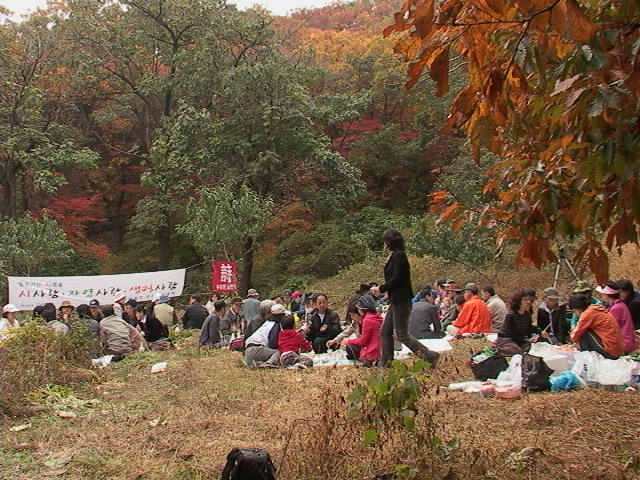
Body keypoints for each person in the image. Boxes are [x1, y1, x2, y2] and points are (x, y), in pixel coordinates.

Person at [370, 228, 439, 367]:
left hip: (401, 299)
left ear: (390, 242)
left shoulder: (399, 255)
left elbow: (398, 278)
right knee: (385, 331)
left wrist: (381, 288)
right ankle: (386, 362)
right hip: (395, 299)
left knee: (401, 334)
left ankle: (429, 355)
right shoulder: (395, 255)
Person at [569, 294, 625, 359]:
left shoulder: (588, 313)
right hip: (617, 349)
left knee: (584, 333)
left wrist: (572, 340)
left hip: (610, 351)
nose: (575, 313)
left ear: (579, 308)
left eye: (574, 311)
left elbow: (576, 334)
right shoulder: (596, 310)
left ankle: (587, 358)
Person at [595, 282, 636, 353]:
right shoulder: (617, 305)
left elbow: (609, 326)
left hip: (623, 343)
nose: (601, 296)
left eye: (602, 294)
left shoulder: (617, 308)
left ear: (607, 295)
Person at [495, 289, 537, 355]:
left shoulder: (527, 314)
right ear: (519, 300)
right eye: (525, 300)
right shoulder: (511, 315)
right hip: (506, 339)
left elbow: (529, 329)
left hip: (519, 340)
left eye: (530, 300)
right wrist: (526, 341)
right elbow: (512, 335)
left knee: (532, 349)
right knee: (516, 351)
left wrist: (539, 332)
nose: (528, 302)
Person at [345, 294, 383, 366]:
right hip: (380, 349)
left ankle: (367, 360)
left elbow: (363, 342)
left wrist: (349, 341)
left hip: (372, 350)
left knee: (350, 347)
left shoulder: (367, 320)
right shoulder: (376, 316)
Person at [244, 303, 282, 367]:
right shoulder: (274, 324)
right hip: (255, 348)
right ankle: (269, 364)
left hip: (249, 349)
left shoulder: (267, 322)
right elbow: (272, 343)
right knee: (278, 352)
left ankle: (257, 363)